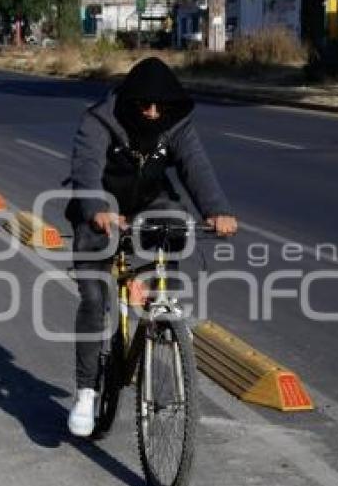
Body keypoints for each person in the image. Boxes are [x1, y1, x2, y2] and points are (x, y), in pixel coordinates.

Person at [65, 57, 237, 437]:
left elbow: (195, 166)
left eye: (161, 106)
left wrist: (217, 210)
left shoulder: (175, 123)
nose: (154, 113)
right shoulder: (100, 120)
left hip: (148, 202)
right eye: (145, 105)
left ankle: (159, 308)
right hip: (102, 205)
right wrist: (95, 209)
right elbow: (86, 169)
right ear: (131, 101)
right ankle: (87, 392)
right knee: (94, 298)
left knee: (173, 221)